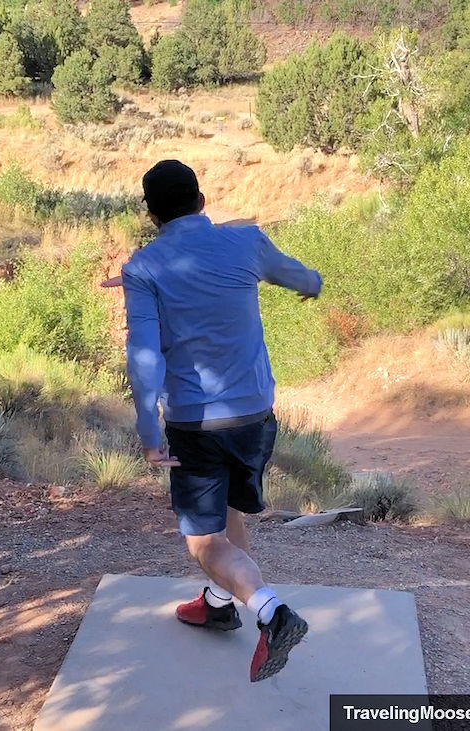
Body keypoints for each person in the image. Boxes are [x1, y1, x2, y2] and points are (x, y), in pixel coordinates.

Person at [105, 159, 321, 682]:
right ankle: (219, 604)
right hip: (254, 419)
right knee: (228, 513)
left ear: (150, 214)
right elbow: (305, 279)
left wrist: (148, 431)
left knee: (204, 542)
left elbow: (146, 357)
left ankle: (272, 612)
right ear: (202, 201)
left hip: (196, 425)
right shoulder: (245, 243)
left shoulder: (143, 268)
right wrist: (309, 285)